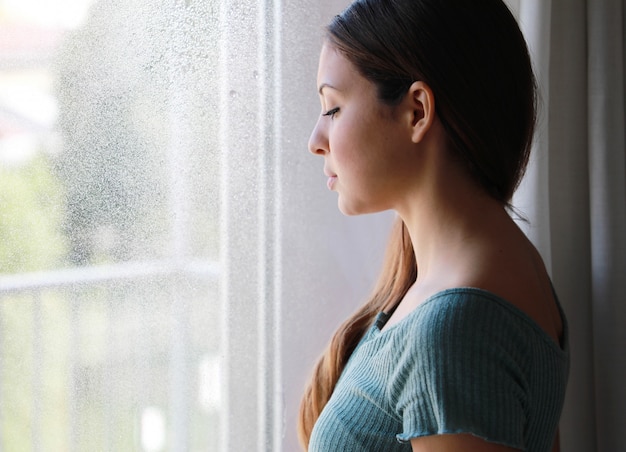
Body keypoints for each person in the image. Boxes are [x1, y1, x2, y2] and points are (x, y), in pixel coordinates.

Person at [299, 0, 570, 451]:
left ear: (417, 112)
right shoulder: (505, 266)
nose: (315, 141)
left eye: (333, 109)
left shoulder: (455, 327)